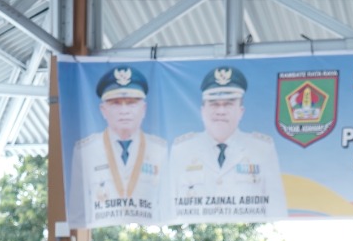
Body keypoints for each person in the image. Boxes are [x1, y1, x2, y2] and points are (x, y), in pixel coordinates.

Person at [170, 65, 288, 222]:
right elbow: (169, 209)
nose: (221, 111)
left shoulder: (262, 149)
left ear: (241, 111)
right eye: (214, 104)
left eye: (228, 104)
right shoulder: (182, 150)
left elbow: (276, 209)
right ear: (202, 110)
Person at [67, 64, 168, 227]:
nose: (124, 110)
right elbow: (77, 214)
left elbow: (166, 207)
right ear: (103, 110)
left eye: (131, 103)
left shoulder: (160, 150)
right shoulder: (85, 151)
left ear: (143, 109)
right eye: (115, 103)